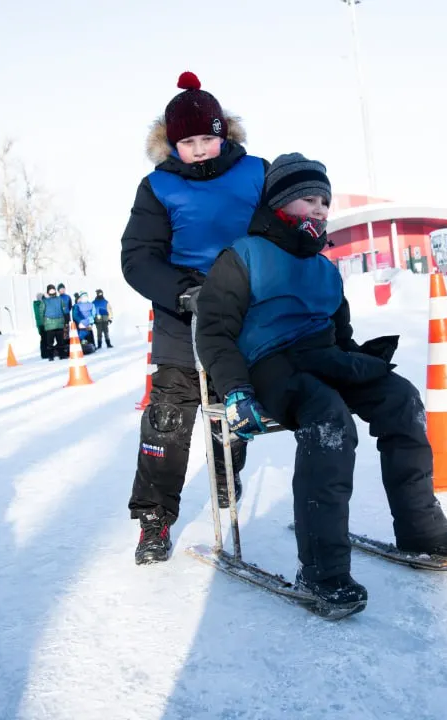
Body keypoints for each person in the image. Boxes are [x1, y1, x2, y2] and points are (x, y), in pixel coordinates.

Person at [194, 154, 447, 613]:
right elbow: (214, 333)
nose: (320, 209)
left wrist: (360, 359)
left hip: (322, 357)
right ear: (280, 202)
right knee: (328, 419)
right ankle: (322, 569)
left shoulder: (324, 267)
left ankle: (421, 529)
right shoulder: (242, 256)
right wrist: (235, 391)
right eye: (308, 199)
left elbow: (339, 334)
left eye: (324, 201)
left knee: (401, 398)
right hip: (269, 366)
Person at [120, 71, 269, 564]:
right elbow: (138, 257)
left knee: (234, 405)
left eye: (207, 138)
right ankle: (154, 520)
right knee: (167, 419)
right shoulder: (157, 187)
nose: (200, 150)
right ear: (172, 144)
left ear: (224, 134)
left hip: (244, 313)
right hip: (181, 317)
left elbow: (280, 229)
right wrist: (184, 292)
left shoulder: (257, 173)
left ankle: (227, 471)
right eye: (188, 142)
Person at [40, 285, 71, 359]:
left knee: (51, 342)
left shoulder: (45, 301)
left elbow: (41, 313)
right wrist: (66, 319)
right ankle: (61, 355)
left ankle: (52, 356)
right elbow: (64, 310)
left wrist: (43, 323)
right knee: (59, 341)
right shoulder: (59, 300)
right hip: (58, 323)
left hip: (50, 324)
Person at [32, 292, 48, 359]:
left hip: (41, 324)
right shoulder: (38, 304)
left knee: (45, 338)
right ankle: (44, 354)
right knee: (44, 339)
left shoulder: (37, 304)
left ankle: (45, 353)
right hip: (42, 324)